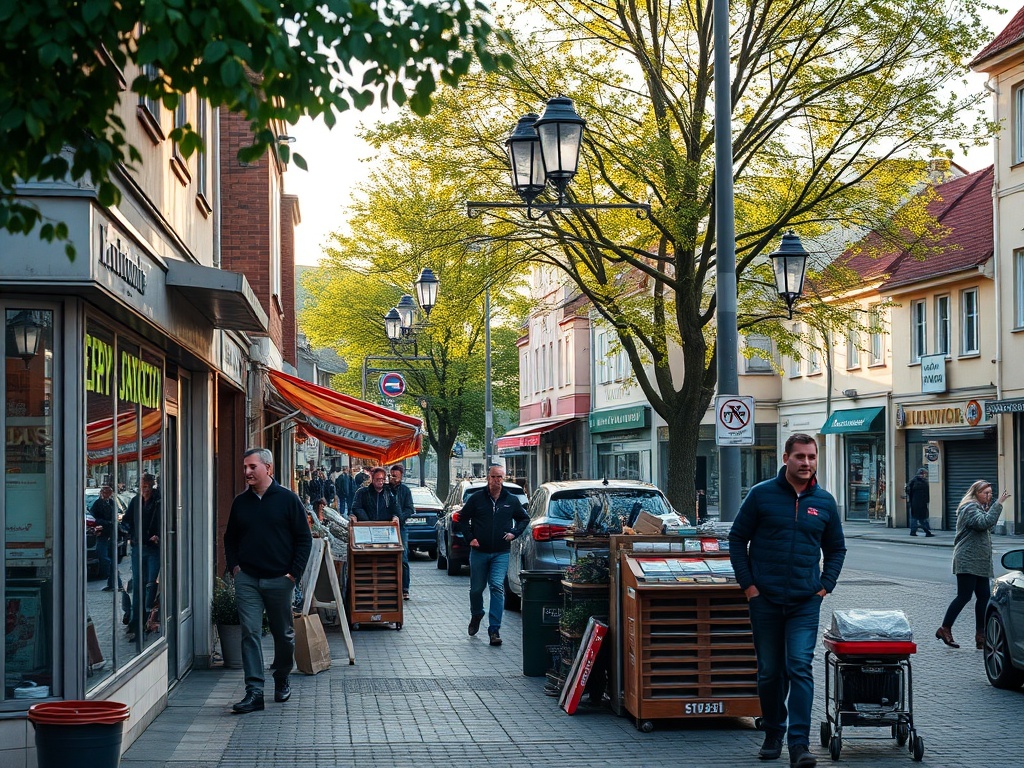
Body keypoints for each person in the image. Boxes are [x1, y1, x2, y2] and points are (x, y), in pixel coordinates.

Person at [729, 434, 846, 768]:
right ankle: (773, 733)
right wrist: (749, 586)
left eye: (811, 457)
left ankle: (799, 744)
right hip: (764, 600)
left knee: (799, 667)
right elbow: (737, 539)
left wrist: (824, 586)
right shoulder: (761, 495)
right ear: (786, 458)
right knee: (769, 672)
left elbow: (836, 548)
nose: (806, 463)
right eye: (800, 457)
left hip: (804, 602)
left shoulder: (824, 502)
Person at [224, 448, 312, 715]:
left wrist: (292, 575)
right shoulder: (241, 502)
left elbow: (304, 539)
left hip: (279, 579)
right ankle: (254, 692)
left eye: (252, 467)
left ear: (268, 468)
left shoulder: (287, 500)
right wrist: (235, 568)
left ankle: (282, 675)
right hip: (248, 579)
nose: (247, 472)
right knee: (250, 633)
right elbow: (230, 538)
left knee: (283, 635)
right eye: (245, 467)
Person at [458, 464, 529, 647]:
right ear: (488, 478)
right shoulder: (477, 499)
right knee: (476, 589)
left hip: (501, 552)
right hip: (479, 551)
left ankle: (494, 629)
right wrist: (470, 538)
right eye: (494, 477)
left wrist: (514, 533)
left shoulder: (511, 500)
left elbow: (524, 518)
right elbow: (462, 518)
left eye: (500, 477)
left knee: (497, 586)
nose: (497, 481)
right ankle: (477, 613)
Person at [936, 480, 1009, 650]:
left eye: (991, 493)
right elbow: (983, 524)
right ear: (975, 493)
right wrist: (998, 505)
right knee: (964, 596)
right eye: (985, 493)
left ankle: (981, 635)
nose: (989, 496)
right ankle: (944, 628)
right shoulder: (969, 508)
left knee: (983, 597)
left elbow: (986, 526)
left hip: (980, 561)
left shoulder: (979, 508)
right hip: (967, 559)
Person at [124, 474, 161, 642]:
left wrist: (159, 536)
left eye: (147, 486)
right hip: (138, 548)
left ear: (152, 486)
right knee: (138, 586)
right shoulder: (135, 502)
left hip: (153, 549)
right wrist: (131, 535)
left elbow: (167, 522)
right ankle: (135, 625)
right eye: (142, 486)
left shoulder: (158, 501)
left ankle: (148, 621)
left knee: (151, 585)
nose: (145, 489)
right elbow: (125, 522)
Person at [388, 464, 415, 600]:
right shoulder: (386, 489)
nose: (393, 478)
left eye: (396, 476)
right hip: (386, 527)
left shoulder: (405, 490)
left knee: (403, 557)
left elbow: (410, 508)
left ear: (401, 476)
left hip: (401, 527)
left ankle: (405, 588)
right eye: (392, 475)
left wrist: (400, 518)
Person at [91, 485, 120, 591]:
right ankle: (114, 581)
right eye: (104, 492)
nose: (106, 495)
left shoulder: (112, 503)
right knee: (104, 556)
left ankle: (115, 583)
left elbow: (115, 517)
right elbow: (93, 517)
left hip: (110, 534)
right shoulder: (98, 504)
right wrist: (104, 523)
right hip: (102, 534)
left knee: (111, 558)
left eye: (108, 492)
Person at [906, 468, 934, 537]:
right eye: (925, 474)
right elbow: (925, 493)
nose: (926, 476)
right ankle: (927, 532)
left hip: (914, 502)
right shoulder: (922, 482)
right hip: (920, 503)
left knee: (915, 518)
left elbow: (908, 490)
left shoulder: (913, 481)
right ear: (922, 474)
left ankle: (913, 531)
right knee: (922, 518)